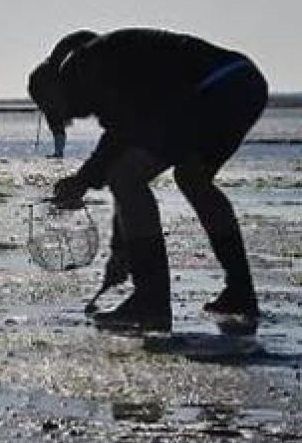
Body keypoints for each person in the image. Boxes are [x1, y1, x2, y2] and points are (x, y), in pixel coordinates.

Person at [28, 28, 268, 333]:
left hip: (213, 87)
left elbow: (120, 142)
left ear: (55, 88)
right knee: (192, 178)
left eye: (52, 109)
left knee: (128, 176)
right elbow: (122, 147)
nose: (63, 119)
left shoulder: (90, 65)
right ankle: (241, 291)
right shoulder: (105, 64)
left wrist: (83, 180)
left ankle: (151, 299)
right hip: (243, 81)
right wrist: (121, 251)